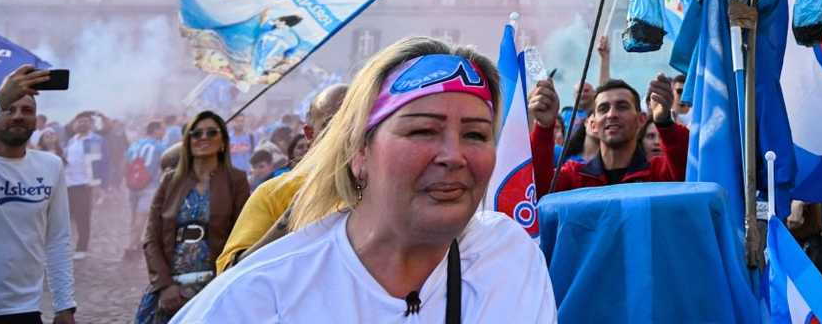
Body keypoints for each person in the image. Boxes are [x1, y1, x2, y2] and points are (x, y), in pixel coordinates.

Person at [171, 37, 557, 322]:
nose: (454, 156)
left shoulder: (510, 260)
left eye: (475, 134)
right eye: (423, 131)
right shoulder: (254, 302)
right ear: (359, 151)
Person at [215, 84, 347, 273]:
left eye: (356, 122)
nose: (347, 133)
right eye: (332, 125)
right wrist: (290, 219)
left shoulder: (387, 191)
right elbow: (230, 274)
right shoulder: (275, 193)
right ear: (310, 134)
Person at [135, 112, 250, 322]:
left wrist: (224, 283)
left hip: (216, 287)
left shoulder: (236, 181)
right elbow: (151, 237)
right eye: (196, 133)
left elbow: (243, 235)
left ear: (223, 142)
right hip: (171, 289)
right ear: (187, 142)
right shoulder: (170, 181)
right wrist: (164, 286)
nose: (203, 137)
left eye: (212, 132)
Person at [0, 65, 76, 324]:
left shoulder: (50, 166)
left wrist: (65, 306)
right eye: (10, 109)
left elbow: (58, 239)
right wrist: (0, 98)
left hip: (25, 308)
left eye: (27, 110)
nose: (18, 116)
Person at [529, 75, 688, 195]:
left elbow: (688, 168)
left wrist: (664, 121)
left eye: (622, 106)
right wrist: (544, 127)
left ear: (641, 120)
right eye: (603, 109)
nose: (612, 115)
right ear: (593, 125)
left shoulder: (659, 173)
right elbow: (536, 190)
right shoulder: (574, 177)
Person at [125, 121, 166, 260]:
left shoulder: (135, 144)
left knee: (134, 216)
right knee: (141, 217)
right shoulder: (159, 146)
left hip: (133, 185)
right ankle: (131, 246)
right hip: (150, 185)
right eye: (162, 130)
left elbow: (126, 162)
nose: (163, 132)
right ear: (155, 131)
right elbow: (164, 166)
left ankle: (134, 242)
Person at [62, 114, 100, 260]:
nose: (81, 124)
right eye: (79, 121)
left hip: (84, 184)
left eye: (85, 122)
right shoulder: (72, 140)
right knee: (66, 217)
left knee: (82, 218)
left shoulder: (94, 140)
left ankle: (82, 247)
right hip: (68, 183)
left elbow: (97, 164)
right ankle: (65, 246)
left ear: (90, 124)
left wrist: (96, 186)